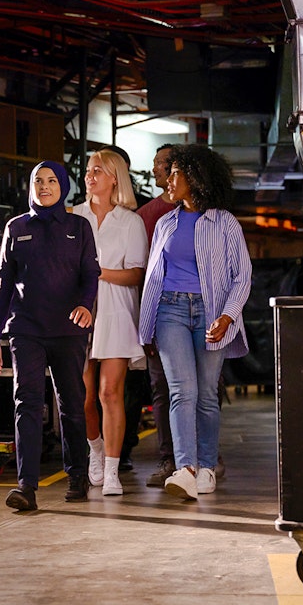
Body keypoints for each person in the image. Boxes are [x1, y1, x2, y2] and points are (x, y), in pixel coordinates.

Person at [138, 144, 252, 501]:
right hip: (169, 311)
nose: (168, 180)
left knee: (205, 395)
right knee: (180, 392)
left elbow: (242, 275)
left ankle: (206, 467)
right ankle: (185, 469)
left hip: (211, 312)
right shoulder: (165, 224)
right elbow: (154, 277)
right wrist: (147, 324)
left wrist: (228, 315)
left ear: (195, 177)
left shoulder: (225, 223)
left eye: (175, 173)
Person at [0, 160, 101, 511]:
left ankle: (77, 476)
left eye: (52, 180)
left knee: (71, 405)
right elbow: (4, 286)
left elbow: (90, 275)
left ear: (63, 185)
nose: (45, 187)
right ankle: (27, 487)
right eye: (38, 181)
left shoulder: (79, 227)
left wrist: (86, 306)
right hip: (26, 330)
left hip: (68, 330)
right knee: (27, 404)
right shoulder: (16, 227)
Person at [73, 149, 148, 496]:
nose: (90, 176)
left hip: (117, 311)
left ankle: (113, 470)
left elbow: (135, 274)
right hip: (79, 312)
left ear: (114, 177)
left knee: (109, 392)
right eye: (88, 171)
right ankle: (96, 451)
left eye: (98, 170)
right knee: (85, 396)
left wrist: (96, 271)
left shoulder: (130, 221)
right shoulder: (73, 217)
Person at [135, 143, 179, 486]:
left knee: (204, 389)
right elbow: (142, 275)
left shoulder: (208, 212)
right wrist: (145, 324)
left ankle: (204, 457)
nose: (154, 171)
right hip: (161, 312)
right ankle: (169, 460)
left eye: (160, 164)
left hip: (200, 314)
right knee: (162, 388)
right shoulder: (147, 215)